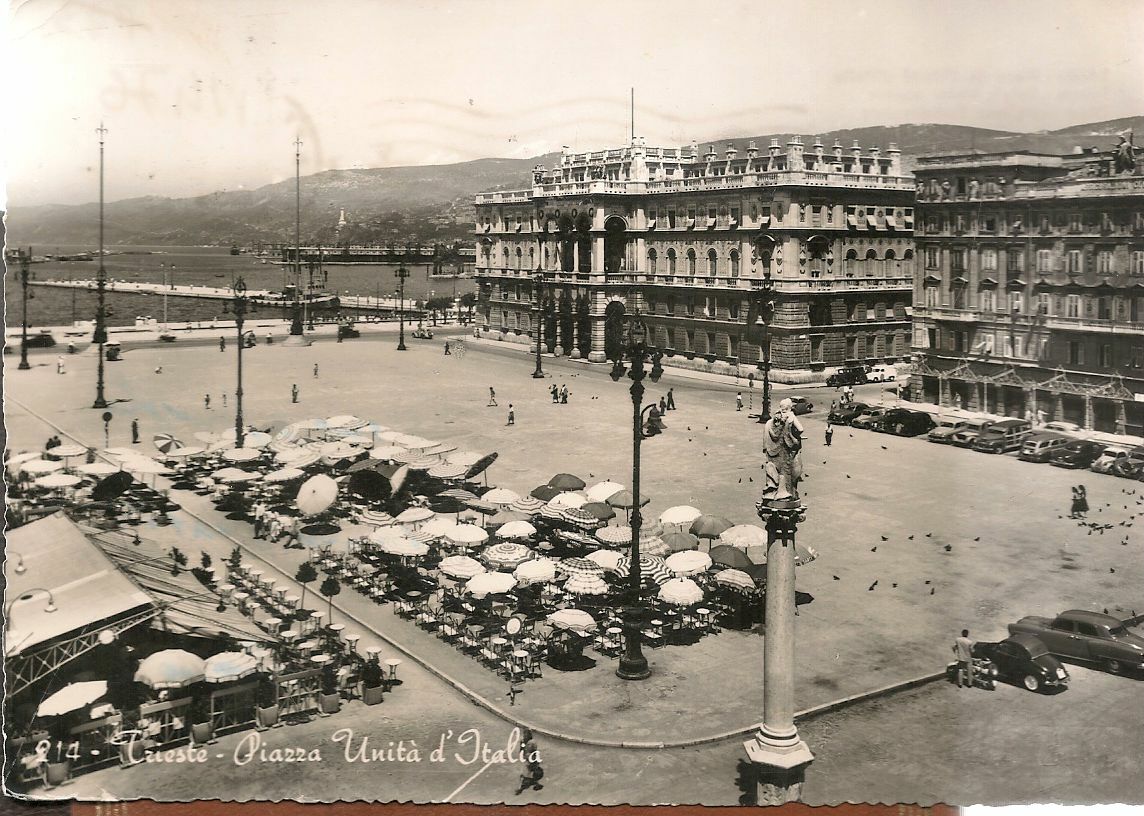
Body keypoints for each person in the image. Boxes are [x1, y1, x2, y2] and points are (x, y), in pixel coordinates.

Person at [514, 728, 543, 795]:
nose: (525, 736)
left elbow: (535, 751)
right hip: (527, 759)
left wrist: (534, 760)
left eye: (526, 734)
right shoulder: (523, 741)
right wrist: (522, 744)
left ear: (529, 735)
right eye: (524, 734)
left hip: (532, 759)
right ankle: (525, 785)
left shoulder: (532, 742)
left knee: (528, 773)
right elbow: (521, 750)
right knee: (527, 773)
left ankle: (521, 788)